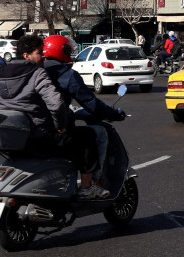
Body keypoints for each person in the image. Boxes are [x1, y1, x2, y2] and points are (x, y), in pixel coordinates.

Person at [0, 35, 106, 200]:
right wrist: (60, 125)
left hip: (13, 139)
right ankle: (87, 187)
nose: (43, 56)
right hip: (39, 136)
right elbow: (56, 104)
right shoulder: (37, 73)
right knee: (87, 137)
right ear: (26, 55)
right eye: (39, 53)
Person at [42, 35, 124, 190]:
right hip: (56, 130)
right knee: (97, 133)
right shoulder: (66, 74)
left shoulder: (36, 70)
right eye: (68, 50)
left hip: (35, 129)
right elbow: (90, 103)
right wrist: (113, 113)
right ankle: (92, 184)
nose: (70, 53)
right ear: (61, 51)